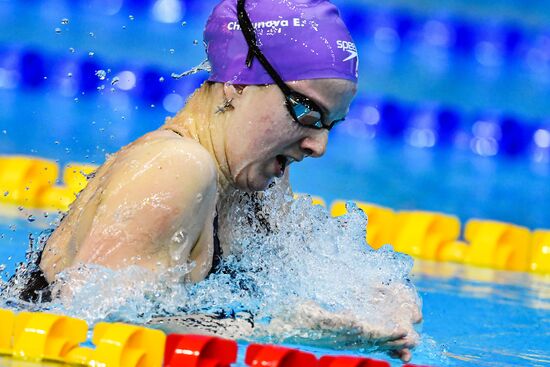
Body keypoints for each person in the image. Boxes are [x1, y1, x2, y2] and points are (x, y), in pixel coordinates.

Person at [19, 0, 420, 362]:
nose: (318, 146)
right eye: (307, 112)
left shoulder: (256, 183)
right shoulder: (175, 167)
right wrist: (279, 331)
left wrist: (379, 299)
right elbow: (94, 327)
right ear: (238, 85)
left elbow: (307, 275)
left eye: (331, 124)